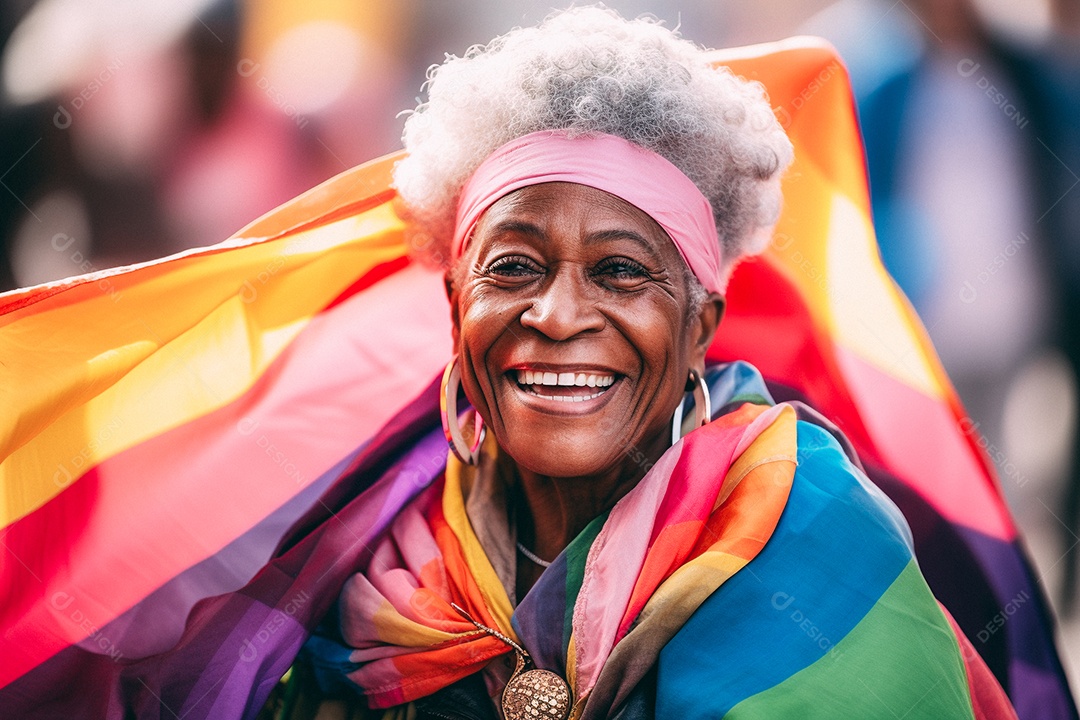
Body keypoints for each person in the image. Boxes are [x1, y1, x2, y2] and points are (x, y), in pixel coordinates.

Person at [283, 8, 1017, 719]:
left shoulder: (822, 536)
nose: (559, 316)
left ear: (701, 326)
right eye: (512, 267)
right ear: (454, 304)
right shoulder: (366, 556)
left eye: (621, 272)